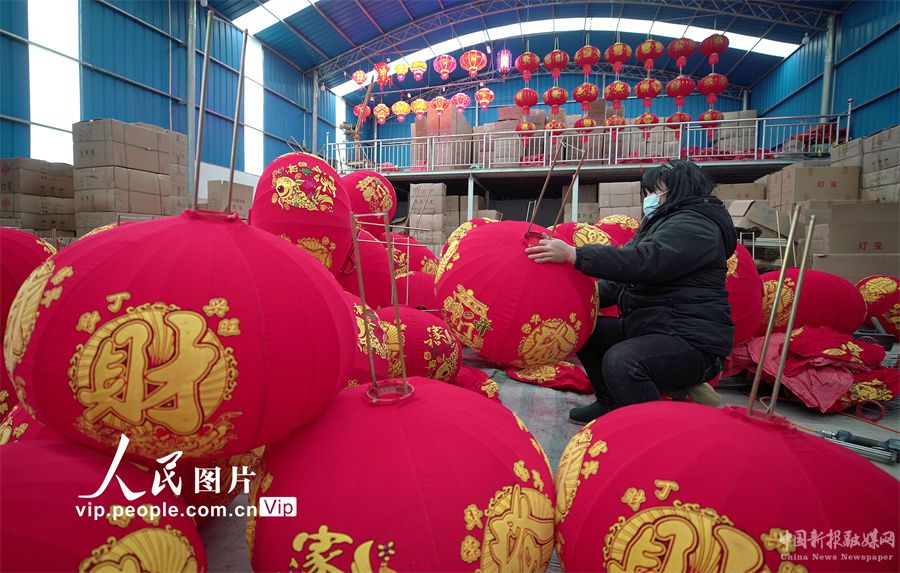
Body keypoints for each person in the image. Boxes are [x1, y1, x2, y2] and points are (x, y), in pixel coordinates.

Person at [526, 160, 736, 424]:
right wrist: (575, 303)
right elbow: (622, 282)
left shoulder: (697, 226)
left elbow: (642, 262)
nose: (648, 198)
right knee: (587, 331)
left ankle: (653, 430)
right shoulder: (661, 223)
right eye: (646, 193)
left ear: (677, 188)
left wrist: (574, 254)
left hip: (692, 340)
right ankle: (609, 402)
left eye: (653, 191)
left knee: (623, 361)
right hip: (654, 326)